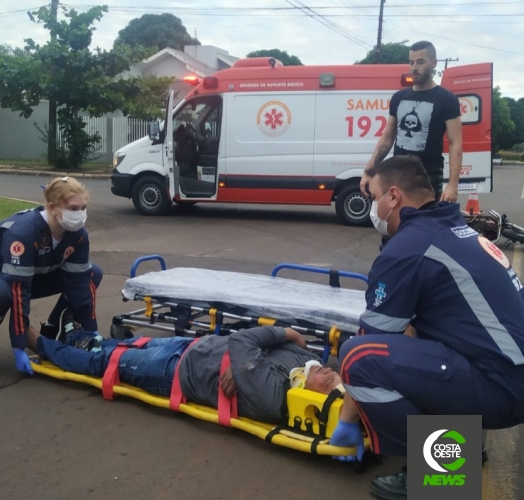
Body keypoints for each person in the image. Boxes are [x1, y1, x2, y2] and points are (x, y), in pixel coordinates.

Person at [330, 156, 524, 500]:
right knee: (413, 334)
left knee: (356, 358)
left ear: (393, 197)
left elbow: (372, 339)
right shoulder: (454, 229)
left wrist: (348, 416)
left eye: (374, 198)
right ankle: (460, 439)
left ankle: (443, 469)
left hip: (503, 388)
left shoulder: (409, 248)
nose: (373, 209)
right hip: (506, 374)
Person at [28, 325, 343, 424]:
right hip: (197, 346)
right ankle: (77, 338)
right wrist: (241, 363)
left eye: (330, 386)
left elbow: (245, 339)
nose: (330, 375)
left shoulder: (274, 397)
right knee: (125, 343)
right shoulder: (307, 364)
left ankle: (42, 345)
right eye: (335, 377)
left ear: (311, 402)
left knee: (106, 363)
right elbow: (252, 346)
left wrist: (286, 333)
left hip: (176, 372)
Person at [0, 177, 103, 376]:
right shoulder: (24, 233)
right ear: (52, 207)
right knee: (3, 294)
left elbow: (80, 283)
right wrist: (19, 345)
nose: (80, 215)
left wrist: (92, 329)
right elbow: (18, 290)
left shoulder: (78, 235)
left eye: (83, 208)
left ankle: (55, 328)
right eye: (73, 209)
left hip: (31, 277)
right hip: (7, 280)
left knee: (92, 274)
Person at [360, 40, 463, 205]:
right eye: (411, 62)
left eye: (420, 62)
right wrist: (369, 172)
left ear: (433, 63)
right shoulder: (399, 98)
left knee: (424, 228)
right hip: (397, 177)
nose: (414, 67)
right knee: (393, 229)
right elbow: (387, 138)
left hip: (428, 179)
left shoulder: (447, 99)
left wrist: (452, 186)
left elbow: (455, 143)